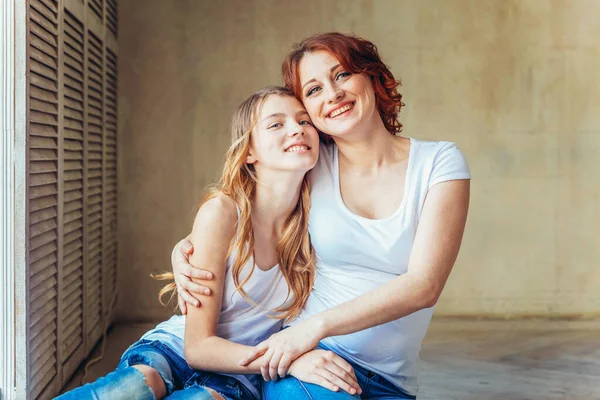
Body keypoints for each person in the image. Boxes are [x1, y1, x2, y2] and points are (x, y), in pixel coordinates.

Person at [172, 33, 471, 399]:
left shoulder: (438, 163)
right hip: (311, 360)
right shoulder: (311, 163)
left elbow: (424, 285)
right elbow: (246, 207)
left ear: (372, 77)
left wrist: (317, 326)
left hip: (392, 380)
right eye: (313, 90)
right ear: (308, 111)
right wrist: (186, 249)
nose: (332, 94)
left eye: (342, 75)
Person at [56, 86, 362, 400]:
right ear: (249, 152)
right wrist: (287, 361)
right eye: (276, 124)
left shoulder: (318, 224)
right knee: (133, 388)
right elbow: (198, 348)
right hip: (177, 349)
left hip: (239, 373)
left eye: (304, 121)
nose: (297, 129)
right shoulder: (223, 213)